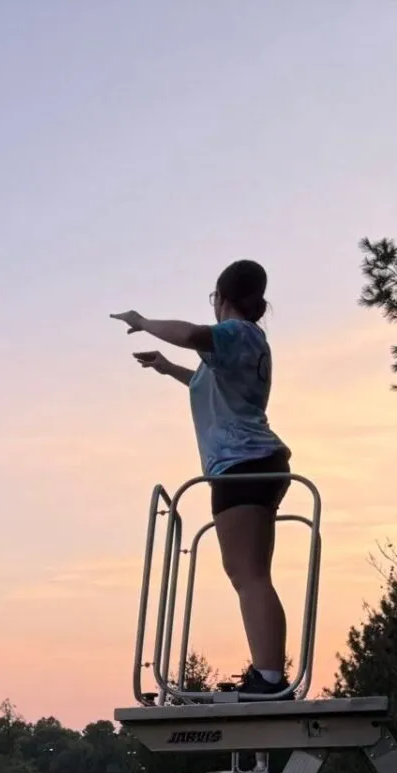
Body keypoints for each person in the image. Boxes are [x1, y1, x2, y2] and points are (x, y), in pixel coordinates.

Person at [115, 259, 294, 696]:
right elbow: (205, 382)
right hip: (256, 462)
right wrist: (166, 368)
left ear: (220, 298)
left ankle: (269, 676)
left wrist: (142, 321)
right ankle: (267, 673)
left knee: (249, 575)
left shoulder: (234, 333)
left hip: (241, 465)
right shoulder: (247, 343)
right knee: (249, 574)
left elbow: (194, 335)